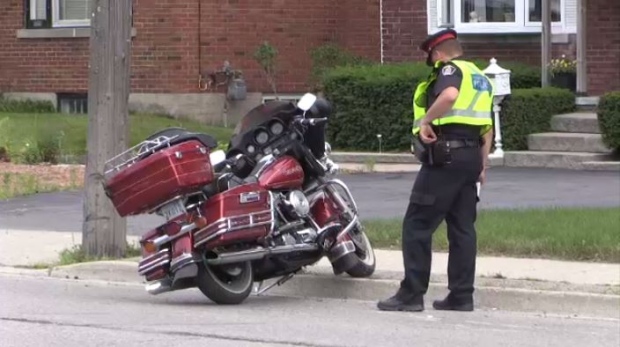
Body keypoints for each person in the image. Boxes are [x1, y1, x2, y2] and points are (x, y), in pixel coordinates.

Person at [377, 29, 495, 312]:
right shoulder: (481, 78)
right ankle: (461, 295)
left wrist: (427, 121)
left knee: (417, 224)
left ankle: (411, 294)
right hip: (470, 159)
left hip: (446, 157)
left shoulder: (450, 69)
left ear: (438, 53)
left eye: (432, 58)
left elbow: (449, 96)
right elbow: (487, 126)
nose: (433, 64)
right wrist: (482, 164)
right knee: (462, 228)